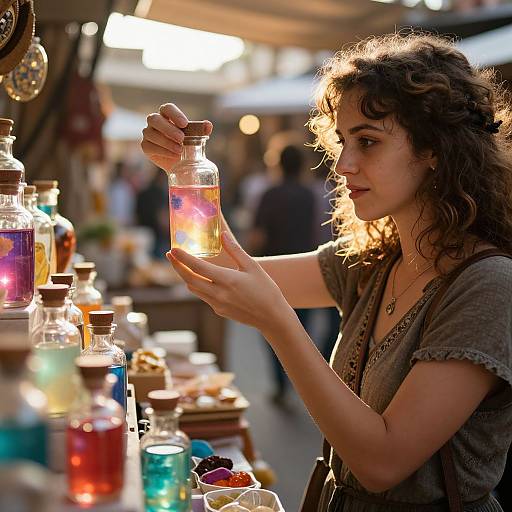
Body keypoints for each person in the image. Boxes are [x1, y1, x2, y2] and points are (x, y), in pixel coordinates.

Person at [141, 33, 512, 511]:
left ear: (434, 150)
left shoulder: (488, 284)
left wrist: (277, 322)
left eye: (368, 141)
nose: (342, 163)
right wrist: (183, 169)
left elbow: (382, 464)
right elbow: (214, 267)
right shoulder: (375, 260)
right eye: (342, 140)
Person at [247, 144, 316, 401]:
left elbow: (257, 236)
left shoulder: (270, 194)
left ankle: (281, 385)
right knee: (302, 332)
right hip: (305, 269)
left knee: (273, 331)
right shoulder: (308, 195)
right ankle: (304, 383)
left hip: (273, 272)